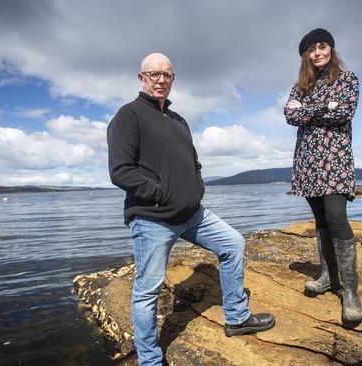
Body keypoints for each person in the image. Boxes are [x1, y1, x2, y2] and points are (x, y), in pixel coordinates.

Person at [107, 52, 275, 366]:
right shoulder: (128, 115)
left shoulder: (178, 120)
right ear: (142, 78)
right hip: (152, 218)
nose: (160, 80)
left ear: (172, 79)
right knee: (148, 290)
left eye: (166, 75)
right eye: (153, 74)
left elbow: (194, 163)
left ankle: (237, 318)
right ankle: (150, 360)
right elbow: (120, 170)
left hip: (192, 214)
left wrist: (196, 188)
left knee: (233, 244)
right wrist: (160, 193)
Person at [283, 28, 362, 327]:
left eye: (322, 46)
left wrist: (308, 110)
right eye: (311, 50)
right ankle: (328, 276)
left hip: (336, 158)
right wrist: (322, 107)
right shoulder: (300, 86)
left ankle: (351, 291)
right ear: (306, 56)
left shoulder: (348, 79)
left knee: (336, 216)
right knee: (320, 220)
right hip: (308, 160)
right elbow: (290, 116)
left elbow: (344, 112)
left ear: (330, 48)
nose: (317, 53)